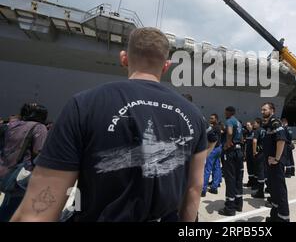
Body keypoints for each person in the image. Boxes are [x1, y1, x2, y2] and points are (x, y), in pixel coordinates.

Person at [10, 28, 207, 222]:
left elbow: (37, 213)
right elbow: (194, 188)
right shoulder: (195, 115)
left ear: (124, 58)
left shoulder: (84, 104)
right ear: (166, 66)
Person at [0, 103, 49, 221]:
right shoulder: (39, 127)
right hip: (21, 175)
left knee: (8, 204)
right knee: (15, 207)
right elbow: (39, 152)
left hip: (4, 171)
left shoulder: (10, 125)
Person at [261, 102, 290, 222]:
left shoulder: (275, 122)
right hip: (270, 164)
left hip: (276, 163)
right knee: (274, 190)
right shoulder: (268, 124)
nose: (262, 112)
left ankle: (284, 218)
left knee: (280, 191)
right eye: (262, 110)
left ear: (272, 110)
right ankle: (275, 216)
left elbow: (281, 140)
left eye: (265, 110)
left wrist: (277, 159)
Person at [219, 106, 243, 216]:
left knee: (230, 178)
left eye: (225, 112)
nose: (225, 113)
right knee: (238, 177)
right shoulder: (238, 122)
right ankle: (238, 204)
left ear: (229, 112)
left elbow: (229, 132)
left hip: (231, 152)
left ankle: (229, 208)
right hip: (239, 151)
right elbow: (241, 137)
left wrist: (227, 144)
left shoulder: (229, 121)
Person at [202, 114, 222, 196]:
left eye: (212, 118)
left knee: (207, 169)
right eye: (210, 118)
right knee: (216, 167)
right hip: (218, 149)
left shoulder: (214, 128)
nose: (210, 119)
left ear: (216, 119)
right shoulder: (218, 127)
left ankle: (203, 190)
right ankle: (214, 187)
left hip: (213, 149)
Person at [250, 118, 266, 198]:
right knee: (264, 170)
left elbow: (254, 141)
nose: (253, 124)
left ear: (258, 124)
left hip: (259, 153)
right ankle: (267, 188)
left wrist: (254, 152)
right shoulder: (264, 130)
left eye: (255, 123)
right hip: (265, 152)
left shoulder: (257, 131)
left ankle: (260, 191)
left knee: (260, 171)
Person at [243, 121, 255, 188]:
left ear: (252, 125)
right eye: (246, 125)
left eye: (248, 125)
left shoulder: (254, 132)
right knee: (249, 167)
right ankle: (250, 181)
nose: (247, 126)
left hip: (252, 153)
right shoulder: (247, 133)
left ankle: (254, 182)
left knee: (253, 168)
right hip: (248, 152)